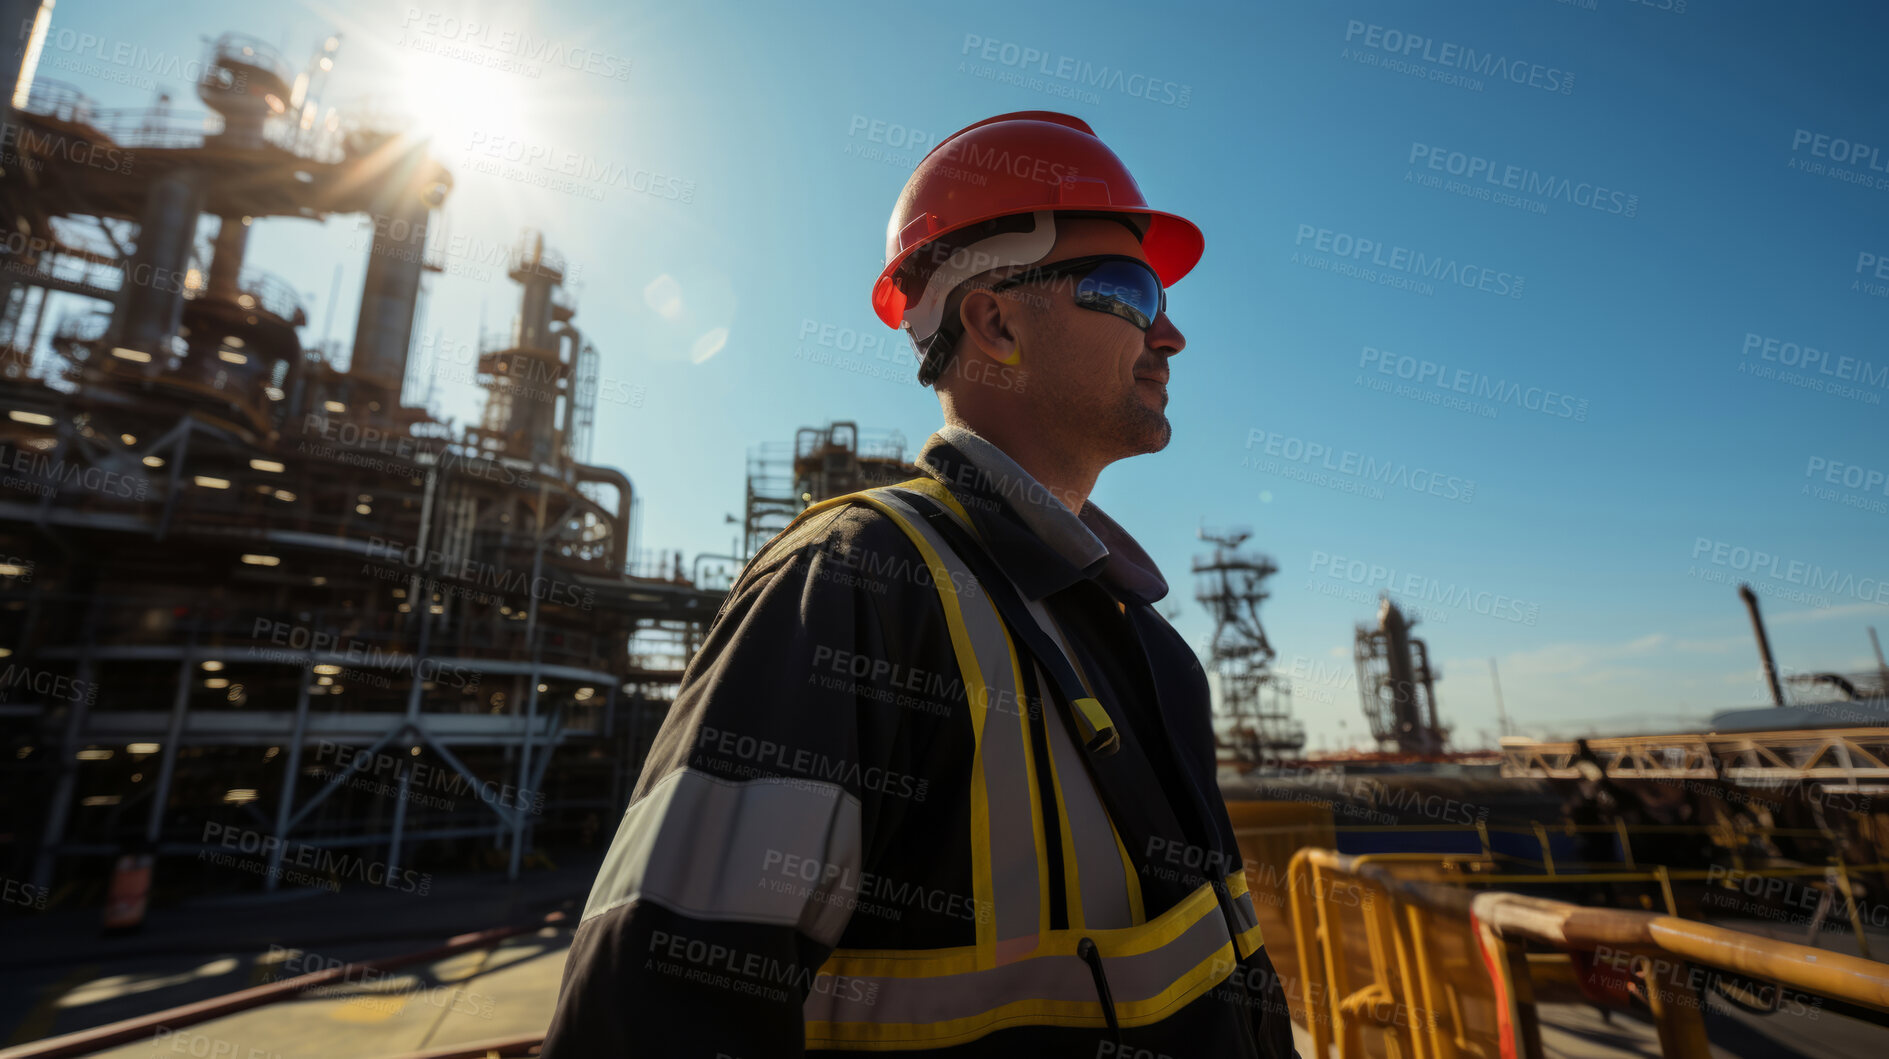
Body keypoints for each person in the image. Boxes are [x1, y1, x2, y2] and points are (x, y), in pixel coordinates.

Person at [542, 111, 1298, 1058]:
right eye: (1129, 289)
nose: (1171, 334)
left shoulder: (1140, 637)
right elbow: (650, 1016)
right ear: (994, 320)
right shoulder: (854, 587)